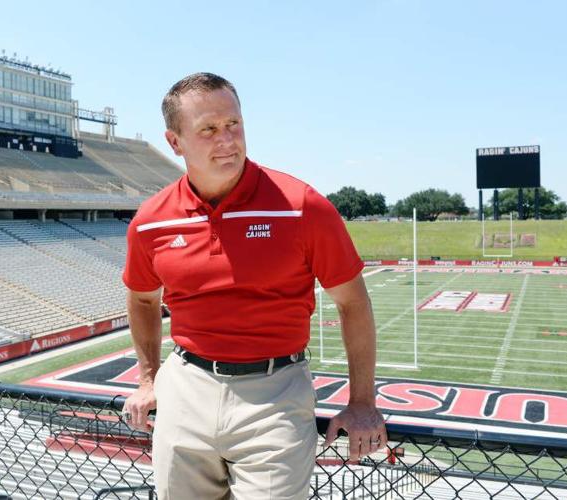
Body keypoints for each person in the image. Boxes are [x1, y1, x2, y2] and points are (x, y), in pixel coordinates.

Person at [122, 72, 386, 499]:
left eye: (233, 125)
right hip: (186, 388)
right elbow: (141, 298)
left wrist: (362, 402)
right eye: (208, 129)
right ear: (175, 142)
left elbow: (353, 302)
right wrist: (149, 379)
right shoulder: (152, 220)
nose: (226, 140)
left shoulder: (301, 206)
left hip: (275, 394)